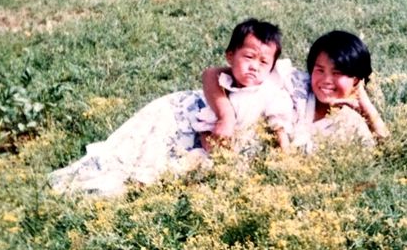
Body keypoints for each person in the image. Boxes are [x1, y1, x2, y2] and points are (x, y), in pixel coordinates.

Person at [48, 18, 294, 196]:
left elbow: (278, 123)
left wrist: (286, 160)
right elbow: (208, 129)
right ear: (230, 57)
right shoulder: (223, 85)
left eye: (264, 62)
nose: (254, 67)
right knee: (168, 163)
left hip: (244, 150)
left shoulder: (270, 91)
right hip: (211, 146)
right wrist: (220, 155)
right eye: (248, 57)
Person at [202, 30, 387, 152]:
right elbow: (212, 74)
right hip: (207, 115)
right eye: (319, 70)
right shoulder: (296, 82)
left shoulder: (350, 122)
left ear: (356, 80)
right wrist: (225, 117)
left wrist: (367, 107)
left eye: (337, 73)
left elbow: (387, 152)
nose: (326, 80)